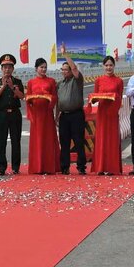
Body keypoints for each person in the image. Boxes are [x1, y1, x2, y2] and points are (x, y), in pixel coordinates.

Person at [0, 53, 25, 175]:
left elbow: (22, 97)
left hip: (15, 114)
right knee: (2, 141)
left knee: (16, 140)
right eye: (5, 67)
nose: (7, 69)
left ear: (13, 68)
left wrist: (12, 87)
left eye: (9, 67)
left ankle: (15, 167)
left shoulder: (18, 81)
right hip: (2, 114)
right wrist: (3, 86)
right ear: (1, 69)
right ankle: (1, 166)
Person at [90, 55, 124, 175]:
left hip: (113, 114)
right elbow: (95, 97)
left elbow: (119, 98)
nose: (109, 67)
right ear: (103, 66)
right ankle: (100, 167)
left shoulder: (119, 81)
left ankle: (112, 168)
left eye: (111, 65)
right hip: (102, 113)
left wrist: (113, 109)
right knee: (101, 139)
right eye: (106, 65)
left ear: (114, 66)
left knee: (112, 140)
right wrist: (93, 100)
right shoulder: (98, 80)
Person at [56, 47, 87, 175]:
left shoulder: (77, 80)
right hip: (64, 116)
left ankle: (81, 166)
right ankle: (64, 166)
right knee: (64, 142)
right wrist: (56, 116)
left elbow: (74, 69)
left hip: (76, 115)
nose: (64, 72)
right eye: (62, 70)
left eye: (66, 69)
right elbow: (58, 101)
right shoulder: (59, 84)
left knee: (79, 141)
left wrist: (65, 55)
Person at [26, 58, 59, 174]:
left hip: (47, 114)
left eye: (45, 67)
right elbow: (28, 99)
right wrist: (31, 113)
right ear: (36, 69)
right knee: (37, 140)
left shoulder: (51, 81)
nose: (43, 69)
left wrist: (49, 105)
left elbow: (54, 97)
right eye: (41, 67)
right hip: (36, 115)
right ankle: (37, 167)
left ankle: (48, 167)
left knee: (48, 140)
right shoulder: (31, 82)